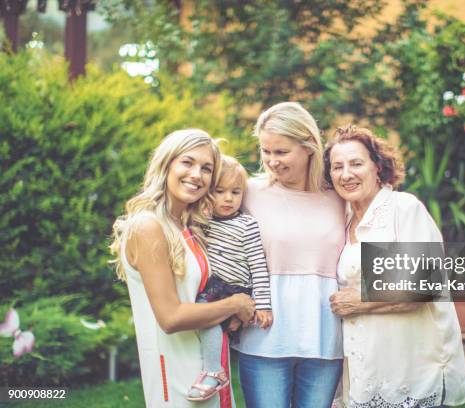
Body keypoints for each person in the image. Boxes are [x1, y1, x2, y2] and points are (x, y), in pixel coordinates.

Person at [324, 125, 465, 407]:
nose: (346, 174)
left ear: (377, 166)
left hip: (411, 366)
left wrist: (361, 300)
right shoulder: (341, 219)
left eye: (356, 163)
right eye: (336, 167)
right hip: (366, 363)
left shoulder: (403, 209)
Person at [110, 129, 255, 408]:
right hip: (177, 377)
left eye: (206, 168)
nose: (196, 175)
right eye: (187, 162)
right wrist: (235, 303)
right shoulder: (148, 226)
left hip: (210, 368)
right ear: (167, 164)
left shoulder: (188, 226)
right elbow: (171, 317)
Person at [233, 102, 345, 407]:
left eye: (281, 152)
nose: (272, 161)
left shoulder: (340, 197)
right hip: (264, 339)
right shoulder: (247, 192)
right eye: (266, 151)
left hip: (325, 340)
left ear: (309, 147)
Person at [187, 155, 273, 401]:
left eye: (235, 192)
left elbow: (258, 266)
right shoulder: (202, 223)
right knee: (207, 319)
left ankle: (214, 371)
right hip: (213, 285)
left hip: (236, 288)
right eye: (220, 191)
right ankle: (213, 363)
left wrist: (263, 304)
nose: (228, 198)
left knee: (207, 314)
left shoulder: (247, 225)